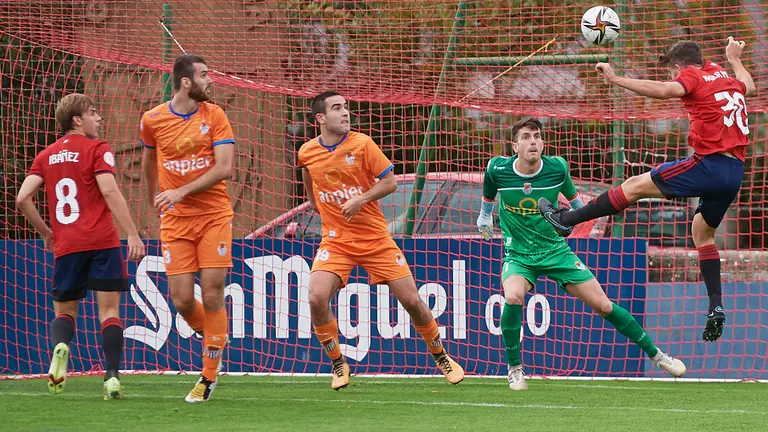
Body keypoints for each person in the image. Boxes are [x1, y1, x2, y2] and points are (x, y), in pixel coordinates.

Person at [538, 37, 756, 342]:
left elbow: (666, 91)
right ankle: (715, 306)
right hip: (734, 173)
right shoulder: (723, 75)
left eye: (672, 72)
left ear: (678, 67)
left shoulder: (691, 75)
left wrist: (616, 79)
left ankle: (566, 220)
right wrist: (735, 59)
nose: (673, 77)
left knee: (633, 186)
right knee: (702, 233)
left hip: (709, 165)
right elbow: (750, 86)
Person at [478, 117, 686, 390]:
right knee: (513, 296)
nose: (533, 141)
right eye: (526, 137)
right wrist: (484, 215)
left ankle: (658, 356)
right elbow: (489, 190)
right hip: (519, 254)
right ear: (514, 146)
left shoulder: (557, 168)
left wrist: (577, 222)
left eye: (537, 136)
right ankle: (515, 369)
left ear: (543, 142)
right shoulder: (497, 169)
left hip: (556, 251)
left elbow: (577, 205)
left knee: (604, 306)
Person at [298, 90, 464, 390]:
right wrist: (321, 209)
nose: (345, 113)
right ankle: (338, 362)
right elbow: (309, 182)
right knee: (316, 298)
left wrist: (360, 199)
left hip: (375, 239)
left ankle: (441, 356)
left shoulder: (362, 144)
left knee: (411, 301)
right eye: (337, 108)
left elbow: (390, 182)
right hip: (336, 242)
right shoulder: (307, 151)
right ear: (320, 117)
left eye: (346, 107)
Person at [15, 93, 145, 399]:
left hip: (68, 244)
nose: (98, 118)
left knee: (65, 312)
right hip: (102, 241)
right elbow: (109, 191)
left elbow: (22, 199)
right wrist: (133, 233)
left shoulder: (45, 156)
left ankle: (61, 347)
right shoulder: (97, 149)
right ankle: (111, 377)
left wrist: (47, 233)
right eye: (93, 113)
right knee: (109, 310)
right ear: (77, 120)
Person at [141, 54, 235, 403]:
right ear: (185, 82)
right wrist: (154, 199)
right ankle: (216, 339)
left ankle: (208, 376)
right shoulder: (152, 119)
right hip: (176, 221)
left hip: (213, 216)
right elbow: (149, 160)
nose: (211, 81)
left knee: (212, 293)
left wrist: (180, 191)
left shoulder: (215, 115)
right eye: (205, 75)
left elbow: (224, 168)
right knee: (181, 300)